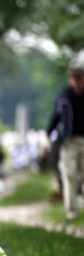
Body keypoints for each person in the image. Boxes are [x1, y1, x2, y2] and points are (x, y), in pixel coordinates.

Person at [47, 67, 84, 221]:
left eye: (80, 81)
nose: (78, 85)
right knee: (68, 175)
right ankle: (72, 211)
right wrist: (48, 132)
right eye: (75, 81)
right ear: (71, 80)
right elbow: (56, 116)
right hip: (69, 140)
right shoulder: (64, 96)